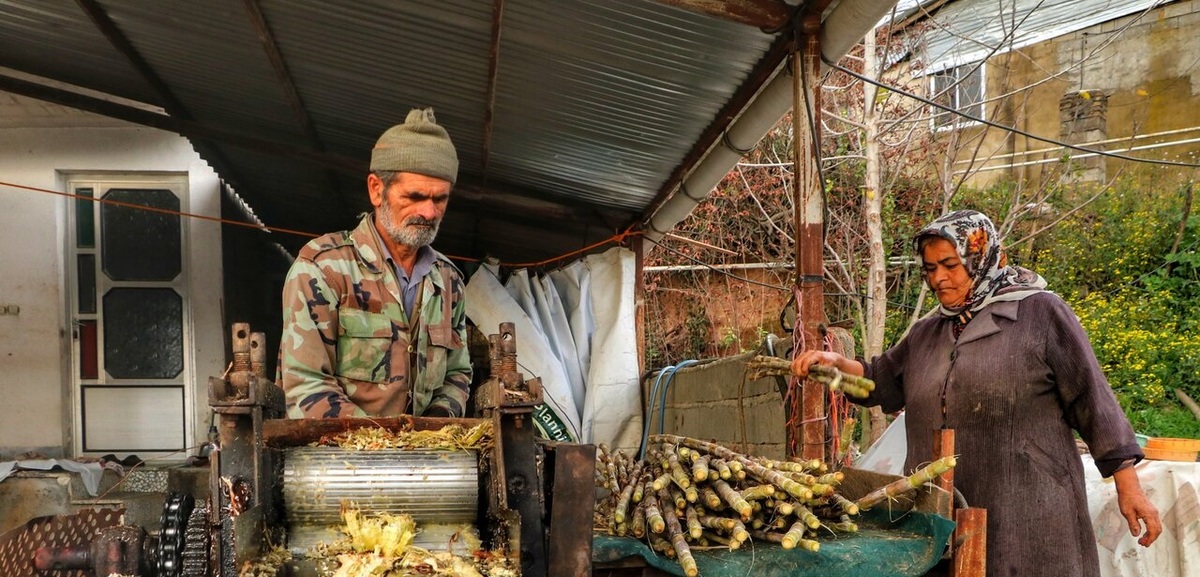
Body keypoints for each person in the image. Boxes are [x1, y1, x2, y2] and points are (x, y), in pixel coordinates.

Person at [791, 210, 1161, 577]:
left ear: (979, 257)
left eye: (950, 265)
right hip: (944, 513)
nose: (938, 278)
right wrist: (838, 369)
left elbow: (1092, 400)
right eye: (930, 268)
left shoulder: (1039, 314)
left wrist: (1128, 486)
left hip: (1028, 511)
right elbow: (879, 383)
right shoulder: (927, 333)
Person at [277, 108, 471, 419]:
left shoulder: (449, 282)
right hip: (339, 461)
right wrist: (384, 449)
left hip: (424, 462)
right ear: (376, 189)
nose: (430, 212)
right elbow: (305, 385)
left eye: (440, 199)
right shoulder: (322, 269)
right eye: (415, 196)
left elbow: (457, 374)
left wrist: (435, 428)